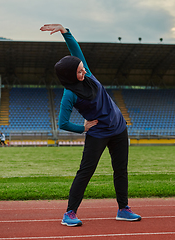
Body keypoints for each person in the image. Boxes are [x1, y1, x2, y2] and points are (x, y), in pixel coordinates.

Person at [40, 24, 141, 226]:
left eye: (82, 67)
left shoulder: (89, 75)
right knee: (85, 172)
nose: (83, 71)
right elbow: (62, 123)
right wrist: (83, 128)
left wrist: (65, 32)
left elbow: (75, 51)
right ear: (69, 75)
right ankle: (69, 213)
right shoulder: (69, 94)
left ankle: (123, 209)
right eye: (78, 71)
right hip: (98, 134)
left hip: (120, 128)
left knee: (121, 170)